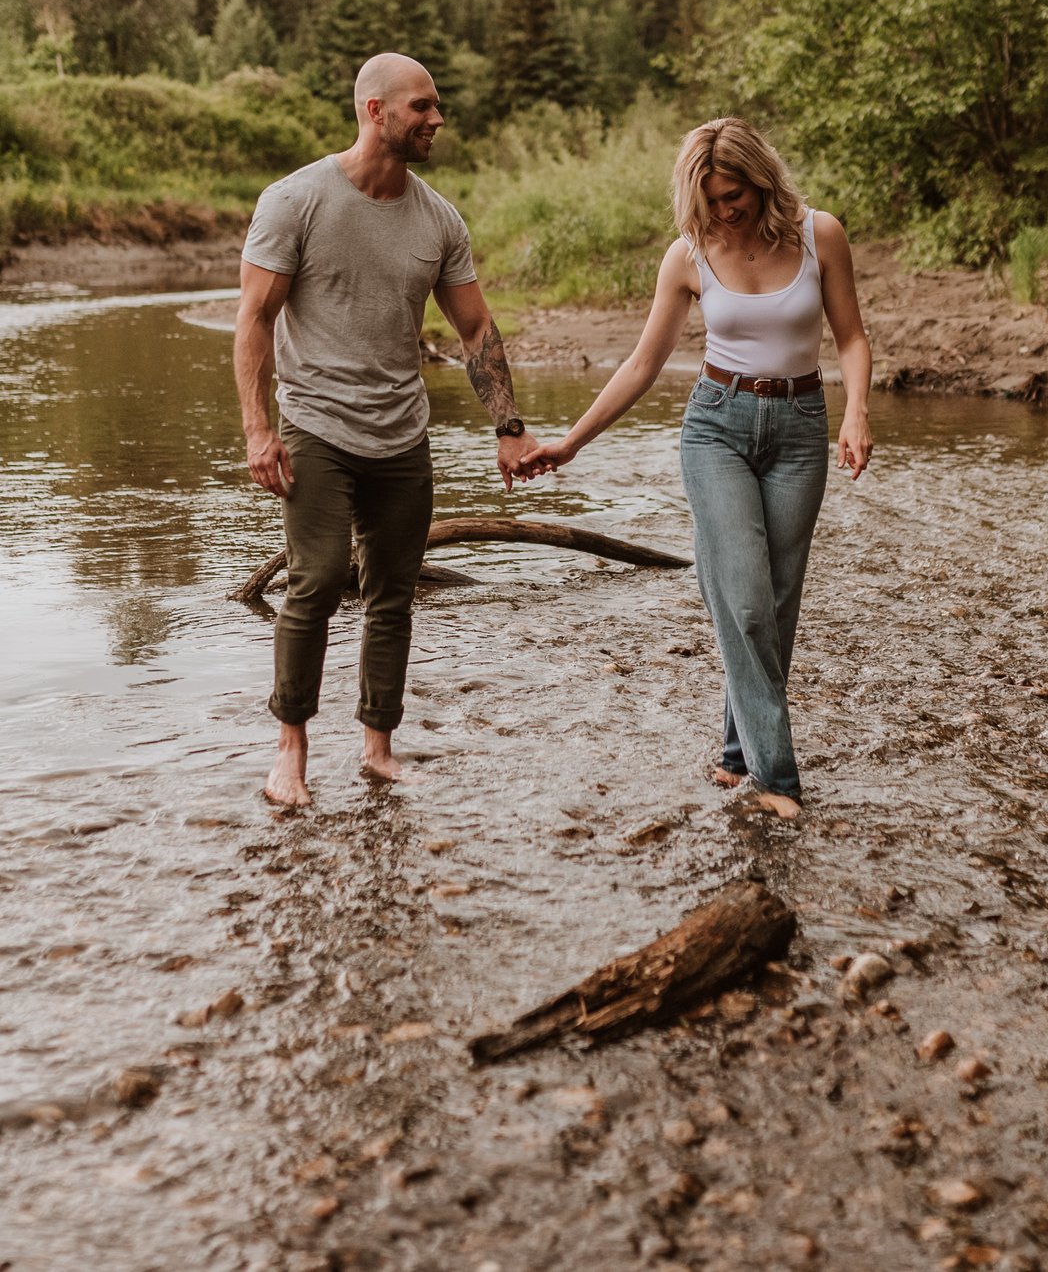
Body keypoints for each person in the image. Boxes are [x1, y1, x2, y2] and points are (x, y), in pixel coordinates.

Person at [517, 117, 872, 816]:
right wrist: (573, 441)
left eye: (734, 193)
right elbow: (644, 363)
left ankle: (738, 755)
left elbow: (853, 337)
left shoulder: (818, 234)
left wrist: (857, 410)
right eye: (710, 198)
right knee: (741, 598)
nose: (723, 210)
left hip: (801, 427)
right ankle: (778, 779)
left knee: (774, 605)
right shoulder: (687, 256)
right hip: (717, 429)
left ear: (761, 179)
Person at [236, 53, 543, 807]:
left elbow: (474, 326)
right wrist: (256, 429)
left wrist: (509, 426)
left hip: (402, 437)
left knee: (393, 595)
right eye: (422, 107)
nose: (437, 119)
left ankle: (377, 748)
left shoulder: (439, 219)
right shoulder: (295, 200)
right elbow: (254, 318)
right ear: (374, 110)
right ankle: (290, 754)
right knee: (311, 584)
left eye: (437, 107)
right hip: (316, 428)